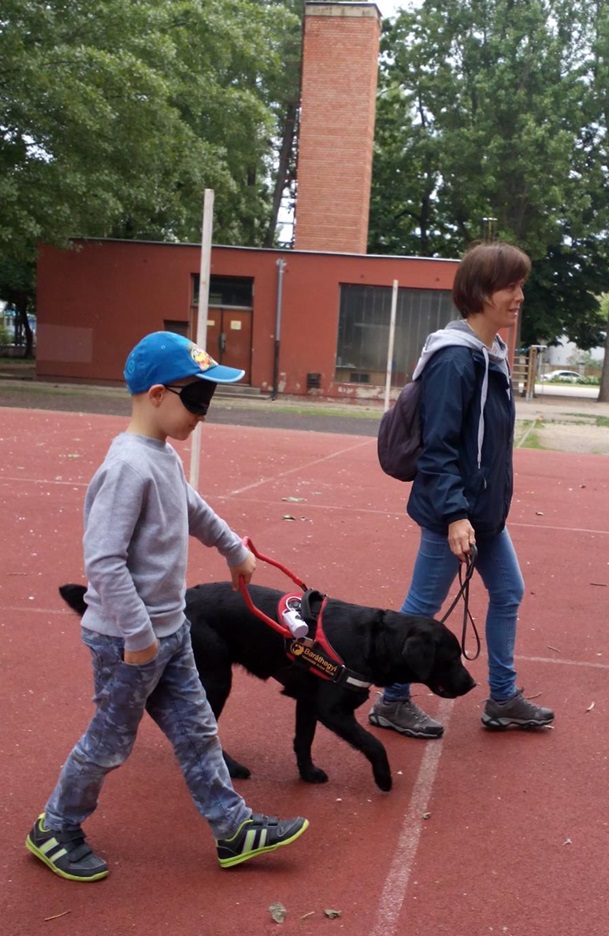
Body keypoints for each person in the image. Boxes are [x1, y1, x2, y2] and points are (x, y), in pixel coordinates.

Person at [25, 332, 309, 882]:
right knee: (109, 743)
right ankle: (55, 827)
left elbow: (193, 509)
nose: (205, 412)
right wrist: (136, 635)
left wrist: (233, 549)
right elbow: (103, 562)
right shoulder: (126, 467)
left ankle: (232, 828)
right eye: (198, 398)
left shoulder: (162, 458)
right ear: (156, 395)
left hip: (169, 631)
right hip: (127, 642)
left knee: (199, 730)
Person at [369, 242, 555, 738]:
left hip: (482, 512)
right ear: (480, 292)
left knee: (508, 592)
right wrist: (454, 514)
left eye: (520, 285)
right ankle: (391, 700)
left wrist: (479, 509)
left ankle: (503, 697)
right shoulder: (457, 360)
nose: (519, 296)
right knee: (420, 610)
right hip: (453, 511)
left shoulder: (490, 353)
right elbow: (439, 447)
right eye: (510, 286)